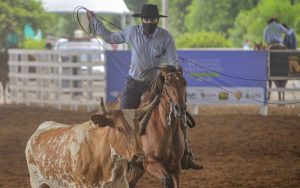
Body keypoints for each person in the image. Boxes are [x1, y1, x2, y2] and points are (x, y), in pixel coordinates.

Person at [87, 4, 202, 170]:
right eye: (146, 19)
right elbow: (110, 38)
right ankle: (117, 153)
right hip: (133, 83)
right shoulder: (132, 32)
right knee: (122, 117)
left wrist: (175, 70)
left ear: (157, 20)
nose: (149, 21)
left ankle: (187, 154)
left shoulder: (165, 37)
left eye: (152, 19)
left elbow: (172, 59)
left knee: (179, 113)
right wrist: (95, 21)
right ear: (142, 19)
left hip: (155, 84)